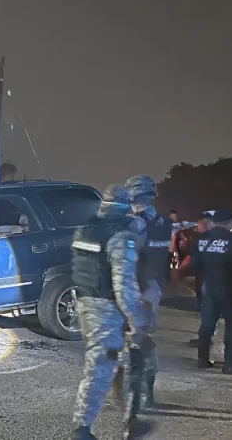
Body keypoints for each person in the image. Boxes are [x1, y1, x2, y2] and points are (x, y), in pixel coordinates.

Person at [70, 185, 145, 440]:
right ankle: (82, 429)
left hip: (85, 304)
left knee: (105, 360)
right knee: (100, 365)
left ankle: (105, 410)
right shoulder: (120, 237)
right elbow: (124, 286)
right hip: (106, 310)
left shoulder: (86, 229)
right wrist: (137, 321)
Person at [124, 174, 172, 414]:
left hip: (135, 286)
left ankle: (134, 396)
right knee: (146, 340)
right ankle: (148, 393)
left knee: (132, 341)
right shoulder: (163, 222)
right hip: (154, 287)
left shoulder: (134, 223)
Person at [182, 210, 232, 373]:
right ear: (229, 222)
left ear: (215, 222)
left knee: (206, 325)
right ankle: (229, 364)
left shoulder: (202, 239)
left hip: (208, 287)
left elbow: (195, 263)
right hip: (228, 288)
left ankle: (202, 360)